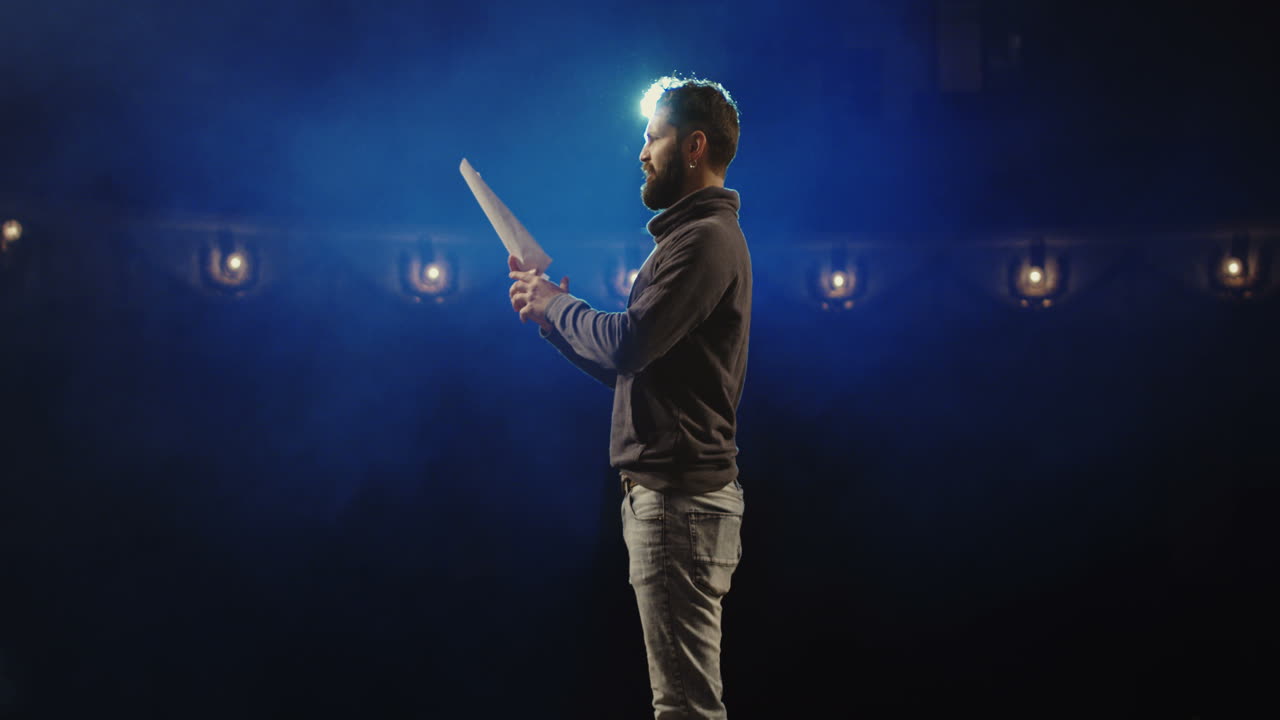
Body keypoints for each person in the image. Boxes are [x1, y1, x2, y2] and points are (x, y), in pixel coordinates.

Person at [507, 76, 750, 719]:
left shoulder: (702, 242)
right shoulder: (689, 238)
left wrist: (559, 306)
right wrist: (552, 322)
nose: (641, 153)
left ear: (693, 146)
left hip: (678, 501)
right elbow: (635, 367)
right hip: (677, 500)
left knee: (686, 708)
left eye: (653, 138)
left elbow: (628, 344)